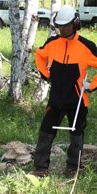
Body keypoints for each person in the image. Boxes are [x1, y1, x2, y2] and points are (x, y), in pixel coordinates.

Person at [32, 5, 97, 178]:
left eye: (66, 25)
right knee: (45, 134)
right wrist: (46, 75)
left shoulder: (86, 46)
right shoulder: (52, 43)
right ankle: (40, 167)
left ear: (75, 23)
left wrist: (92, 85)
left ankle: (73, 167)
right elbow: (39, 55)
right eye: (59, 25)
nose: (62, 29)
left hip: (77, 101)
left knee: (76, 137)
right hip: (55, 100)